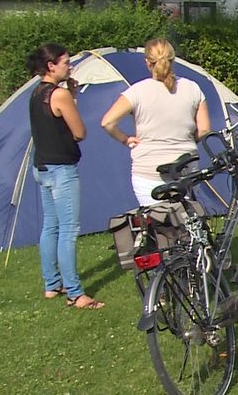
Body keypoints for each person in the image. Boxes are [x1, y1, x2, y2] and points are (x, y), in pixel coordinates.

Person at [26, 43, 103, 310]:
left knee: (51, 226)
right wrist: (72, 97)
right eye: (66, 63)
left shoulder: (36, 92)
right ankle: (75, 293)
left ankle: (51, 285)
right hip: (61, 170)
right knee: (68, 231)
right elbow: (79, 132)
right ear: (51, 66)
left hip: (42, 168)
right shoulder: (59, 95)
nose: (70, 67)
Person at [101, 39, 210, 207]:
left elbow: (107, 122)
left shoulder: (137, 91)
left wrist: (125, 139)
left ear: (147, 62)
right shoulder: (193, 88)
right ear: (173, 60)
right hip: (185, 166)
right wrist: (186, 140)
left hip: (148, 169)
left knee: (157, 221)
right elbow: (204, 129)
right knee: (186, 217)